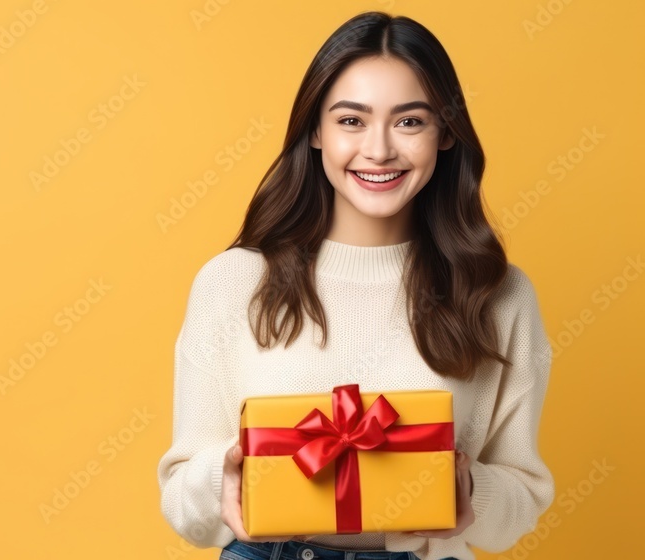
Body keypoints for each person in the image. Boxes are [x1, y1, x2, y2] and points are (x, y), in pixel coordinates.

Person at [156, 10, 555, 560]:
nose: (379, 149)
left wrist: (469, 493)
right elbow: (183, 503)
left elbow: (522, 497)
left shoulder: (498, 293)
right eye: (351, 121)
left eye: (410, 121)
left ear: (444, 134)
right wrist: (230, 472)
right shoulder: (233, 284)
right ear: (315, 131)